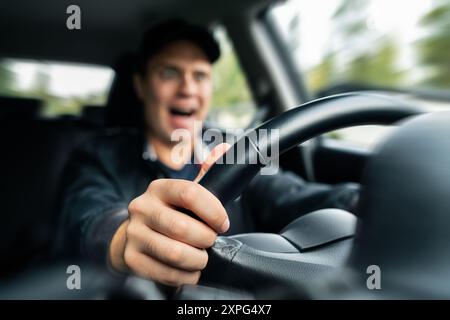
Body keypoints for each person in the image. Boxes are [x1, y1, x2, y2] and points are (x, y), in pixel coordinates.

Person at [59, 19, 359, 287]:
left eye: (200, 75)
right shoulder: (100, 153)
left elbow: (294, 195)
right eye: (169, 72)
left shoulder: (236, 151)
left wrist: (378, 200)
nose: (187, 88)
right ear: (141, 85)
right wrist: (124, 238)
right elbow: (86, 218)